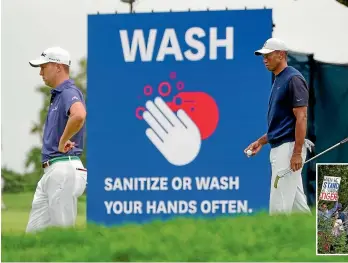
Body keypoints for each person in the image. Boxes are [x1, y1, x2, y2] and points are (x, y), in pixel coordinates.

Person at [244, 38, 312, 215]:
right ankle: (320, 242)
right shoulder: (279, 79)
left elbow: (301, 117)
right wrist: (261, 141)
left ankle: (277, 244)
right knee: (299, 211)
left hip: (288, 150)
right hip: (282, 148)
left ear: (281, 55)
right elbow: (283, 123)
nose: (264, 59)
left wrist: (297, 153)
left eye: (268, 55)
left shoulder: (293, 79)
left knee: (278, 210)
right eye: (263, 56)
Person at [26, 47, 87, 233]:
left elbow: (79, 115)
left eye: (44, 67)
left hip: (64, 167)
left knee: (63, 234)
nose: (40, 72)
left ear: (58, 67)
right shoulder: (58, 95)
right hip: (53, 170)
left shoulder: (68, 91)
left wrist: (63, 142)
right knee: (33, 236)